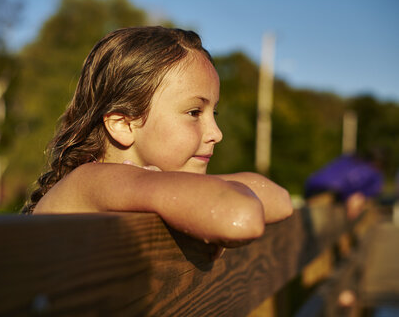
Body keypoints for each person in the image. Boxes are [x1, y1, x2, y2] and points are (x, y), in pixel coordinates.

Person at [22, 26, 293, 247]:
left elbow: (280, 201)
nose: (216, 133)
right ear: (123, 124)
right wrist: (200, 195)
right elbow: (240, 216)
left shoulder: (127, 182)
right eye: (194, 112)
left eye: (214, 114)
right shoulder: (93, 180)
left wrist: (181, 189)